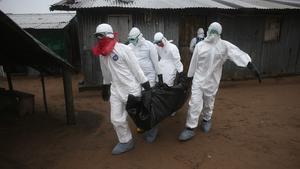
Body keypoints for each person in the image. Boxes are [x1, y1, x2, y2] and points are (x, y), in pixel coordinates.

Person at [178, 22, 261, 141]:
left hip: (212, 81)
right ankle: (190, 128)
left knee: (208, 102)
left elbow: (238, 54)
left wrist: (251, 66)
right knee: (195, 103)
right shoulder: (200, 46)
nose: (212, 34)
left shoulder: (225, 46)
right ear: (207, 31)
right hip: (198, 80)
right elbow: (194, 63)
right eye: (211, 31)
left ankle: (207, 119)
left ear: (219, 33)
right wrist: (189, 78)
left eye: (215, 32)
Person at [92, 23, 150, 155]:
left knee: (139, 115)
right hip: (116, 89)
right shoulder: (102, 54)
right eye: (97, 37)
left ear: (109, 35)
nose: (99, 39)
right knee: (116, 118)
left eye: (101, 36)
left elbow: (136, 69)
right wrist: (105, 86)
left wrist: (145, 84)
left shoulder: (124, 50)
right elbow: (105, 72)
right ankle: (126, 141)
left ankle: (151, 128)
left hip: (131, 89)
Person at [127, 27, 163, 142]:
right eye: (130, 39)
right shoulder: (129, 47)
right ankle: (142, 125)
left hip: (149, 79)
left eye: (134, 39)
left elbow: (156, 63)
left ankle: (152, 129)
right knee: (139, 103)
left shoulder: (149, 46)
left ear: (140, 36)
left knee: (149, 104)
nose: (132, 41)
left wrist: (160, 78)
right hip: (135, 80)